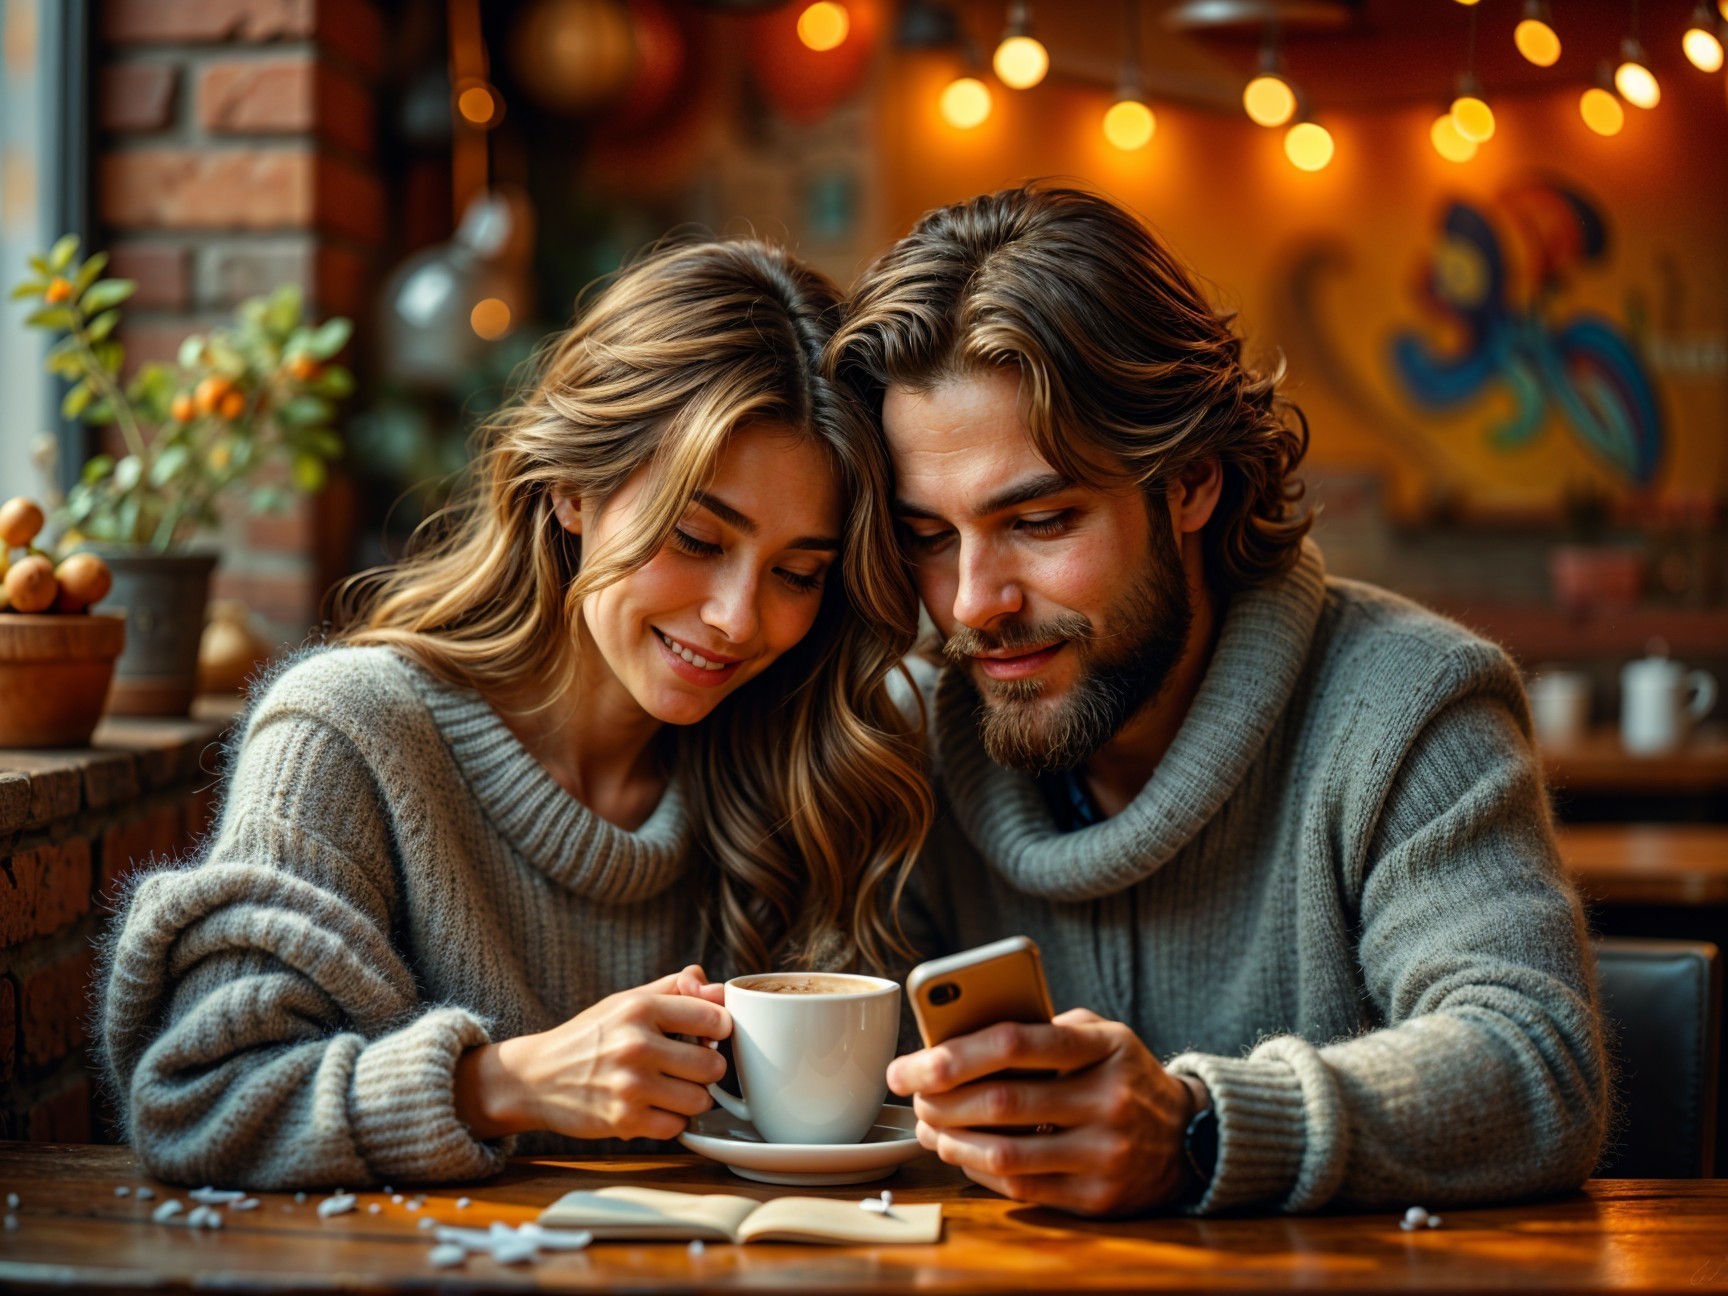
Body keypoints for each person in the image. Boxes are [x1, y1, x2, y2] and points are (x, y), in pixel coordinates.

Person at [828, 185, 1607, 1217]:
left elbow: (1535, 1063)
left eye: (1045, 519)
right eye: (930, 536)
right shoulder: (910, 744)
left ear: (1191, 482)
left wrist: (1202, 1128)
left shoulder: (1410, 706)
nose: (974, 603)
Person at [97, 239, 932, 1189]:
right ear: (573, 491)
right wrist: (498, 1084)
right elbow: (195, 1104)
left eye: (798, 574)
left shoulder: (794, 765)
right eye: (697, 537)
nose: (740, 618)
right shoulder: (348, 734)